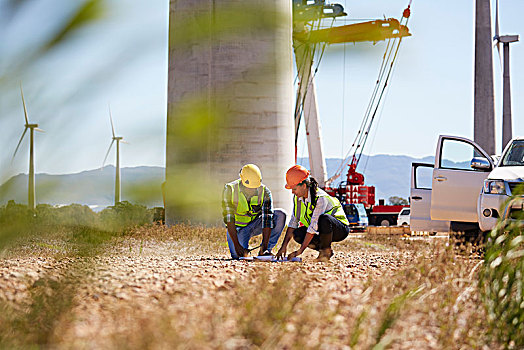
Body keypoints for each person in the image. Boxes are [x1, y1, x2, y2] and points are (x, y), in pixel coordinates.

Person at [276, 165, 350, 262]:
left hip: (339, 229)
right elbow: (293, 222)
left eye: (294, 189)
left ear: (304, 186)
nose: (292, 192)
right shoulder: (298, 198)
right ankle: (326, 250)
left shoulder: (321, 198)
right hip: (321, 230)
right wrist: (283, 247)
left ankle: (325, 252)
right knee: (298, 234)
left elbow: (313, 226)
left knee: (324, 219)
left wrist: (299, 251)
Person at [222, 164, 287, 259]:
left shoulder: (265, 192)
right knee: (237, 256)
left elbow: (267, 220)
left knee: (280, 215)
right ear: (242, 181)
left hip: (255, 225)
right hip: (238, 228)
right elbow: (229, 220)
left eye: (255, 187)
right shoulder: (230, 190)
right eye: (249, 188)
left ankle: (266, 250)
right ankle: (240, 245)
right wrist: (237, 245)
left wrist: (264, 247)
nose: (252, 190)